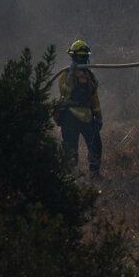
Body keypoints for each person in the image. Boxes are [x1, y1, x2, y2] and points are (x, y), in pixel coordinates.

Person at [54, 39, 103, 176]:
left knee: (96, 146)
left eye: (84, 57)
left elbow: (94, 98)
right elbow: (64, 92)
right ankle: (71, 177)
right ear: (73, 57)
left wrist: (98, 116)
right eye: (79, 57)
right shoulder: (65, 74)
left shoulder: (90, 77)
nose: (82, 59)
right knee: (70, 149)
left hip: (87, 116)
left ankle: (95, 173)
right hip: (70, 116)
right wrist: (71, 75)